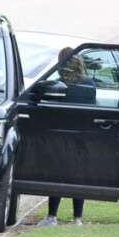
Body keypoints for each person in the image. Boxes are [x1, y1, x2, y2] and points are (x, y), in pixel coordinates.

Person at [37, 47, 96, 227]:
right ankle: (77, 218)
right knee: (78, 175)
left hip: (61, 136)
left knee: (57, 174)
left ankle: (52, 217)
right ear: (79, 62)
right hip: (82, 136)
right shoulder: (89, 84)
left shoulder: (58, 84)